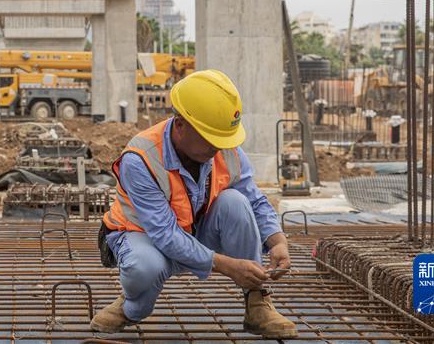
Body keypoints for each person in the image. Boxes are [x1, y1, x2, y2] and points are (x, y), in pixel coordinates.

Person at [91, 70, 297, 338]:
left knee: (236, 202)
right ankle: (132, 308)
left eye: (221, 139)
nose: (218, 147)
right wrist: (229, 266)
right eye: (210, 138)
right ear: (180, 124)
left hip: (196, 231)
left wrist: (277, 241)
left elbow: (254, 199)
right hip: (145, 238)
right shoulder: (141, 158)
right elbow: (165, 234)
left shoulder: (226, 147)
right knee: (145, 267)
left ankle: (257, 302)